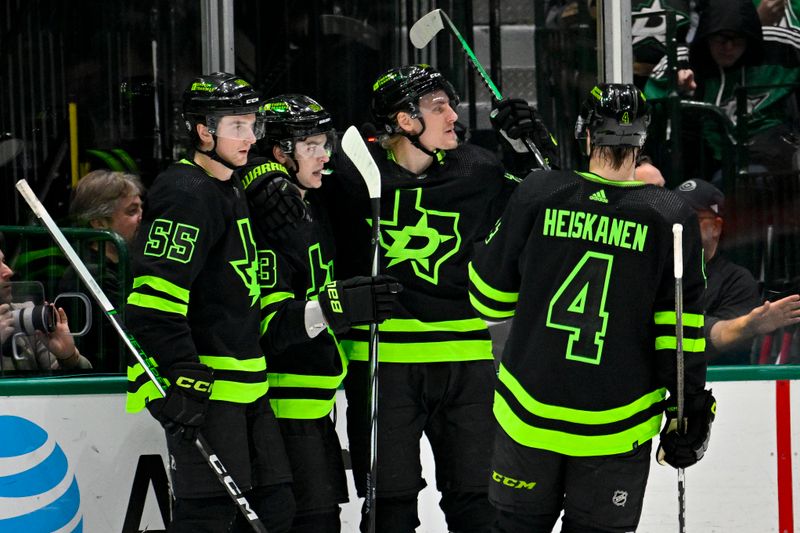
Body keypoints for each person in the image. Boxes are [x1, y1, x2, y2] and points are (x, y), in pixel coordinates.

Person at [468, 83, 716, 532]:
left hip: (529, 414)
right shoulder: (670, 214)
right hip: (617, 426)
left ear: (585, 134)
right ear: (643, 140)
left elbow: (489, 297)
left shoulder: (539, 190)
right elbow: (679, 334)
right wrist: (689, 411)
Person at [323, 64, 549, 533]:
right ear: (405, 121)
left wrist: (531, 148)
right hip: (384, 362)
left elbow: (548, 205)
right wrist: (265, 173)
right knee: (390, 507)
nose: (453, 115)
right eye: (438, 106)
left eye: (450, 103)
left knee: (480, 503)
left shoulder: (478, 168)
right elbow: (284, 167)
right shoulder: (351, 174)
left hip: (466, 359)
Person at [124, 72, 294, 532]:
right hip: (211, 390)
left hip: (249, 388)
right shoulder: (185, 191)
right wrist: (181, 370)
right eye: (237, 125)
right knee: (210, 519)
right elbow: (153, 298)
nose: (249, 136)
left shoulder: (231, 186)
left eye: (252, 124)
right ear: (203, 131)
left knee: (276, 510)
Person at [238, 94, 401, 532]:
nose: (325, 154)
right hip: (281, 413)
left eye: (323, 142)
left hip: (317, 408)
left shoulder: (313, 202)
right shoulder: (266, 220)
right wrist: (338, 307)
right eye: (311, 145)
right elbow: (270, 329)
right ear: (280, 153)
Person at [646, 0, 800, 178]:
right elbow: (646, 108)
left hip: (767, 152)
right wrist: (674, 88)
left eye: (737, 39)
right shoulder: (680, 60)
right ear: (707, 35)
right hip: (706, 159)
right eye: (721, 39)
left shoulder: (781, 46)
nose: (729, 47)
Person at [673, 178, 800, 364]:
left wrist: (747, 326)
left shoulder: (736, 282)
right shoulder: (654, 271)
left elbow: (717, 345)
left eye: (692, 218)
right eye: (674, 218)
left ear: (716, 227)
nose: (679, 226)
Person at [60, 169, 144, 371]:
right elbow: (131, 336)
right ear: (98, 223)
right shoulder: (89, 275)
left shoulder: (130, 262)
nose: (141, 217)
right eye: (132, 211)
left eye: (141, 209)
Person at [1, 244, 91, 371]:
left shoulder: (24, 315)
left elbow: (74, 387)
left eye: (3, 261)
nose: (9, 271)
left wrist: (69, 357)